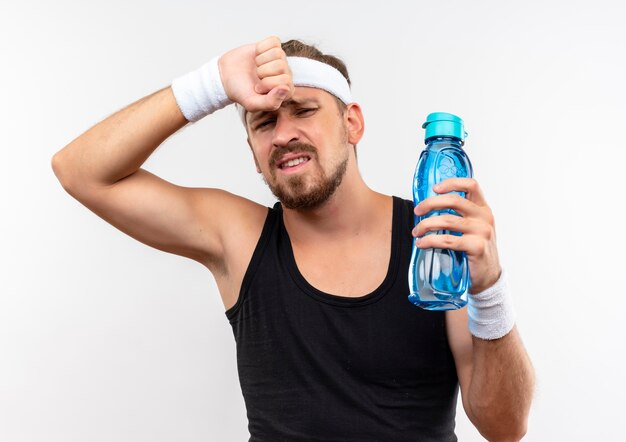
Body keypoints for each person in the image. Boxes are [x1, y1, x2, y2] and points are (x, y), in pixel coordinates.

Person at [51, 36, 535, 441]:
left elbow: (504, 427)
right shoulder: (237, 239)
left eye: (302, 110)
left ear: (352, 123)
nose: (283, 134)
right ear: (252, 150)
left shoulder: (433, 236)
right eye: (264, 121)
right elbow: (80, 172)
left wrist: (489, 287)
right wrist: (212, 84)